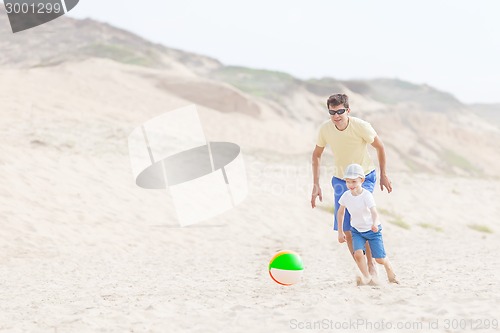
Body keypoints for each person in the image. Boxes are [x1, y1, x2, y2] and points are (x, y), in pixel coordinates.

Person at [310, 93, 392, 276]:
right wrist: (316, 184)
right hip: (341, 180)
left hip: (365, 177)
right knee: (347, 230)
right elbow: (316, 155)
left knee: (362, 222)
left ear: (348, 110)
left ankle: (372, 266)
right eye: (332, 112)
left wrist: (383, 175)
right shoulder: (325, 129)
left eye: (340, 111)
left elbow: (380, 146)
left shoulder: (361, 126)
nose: (336, 116)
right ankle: (364, 271)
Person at [337, 163, 398, 285]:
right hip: (357, 231)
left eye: (354, 181)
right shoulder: (346, 196)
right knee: (358, 254)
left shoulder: (366, 195)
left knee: (379, 259)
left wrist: (375, 223)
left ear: (362, 180)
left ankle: (388, 266)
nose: (350, 185)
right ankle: (367, 278)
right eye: (348, 182)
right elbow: (340, 213)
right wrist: (340, 231)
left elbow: (374, 212)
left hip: (372, 230)